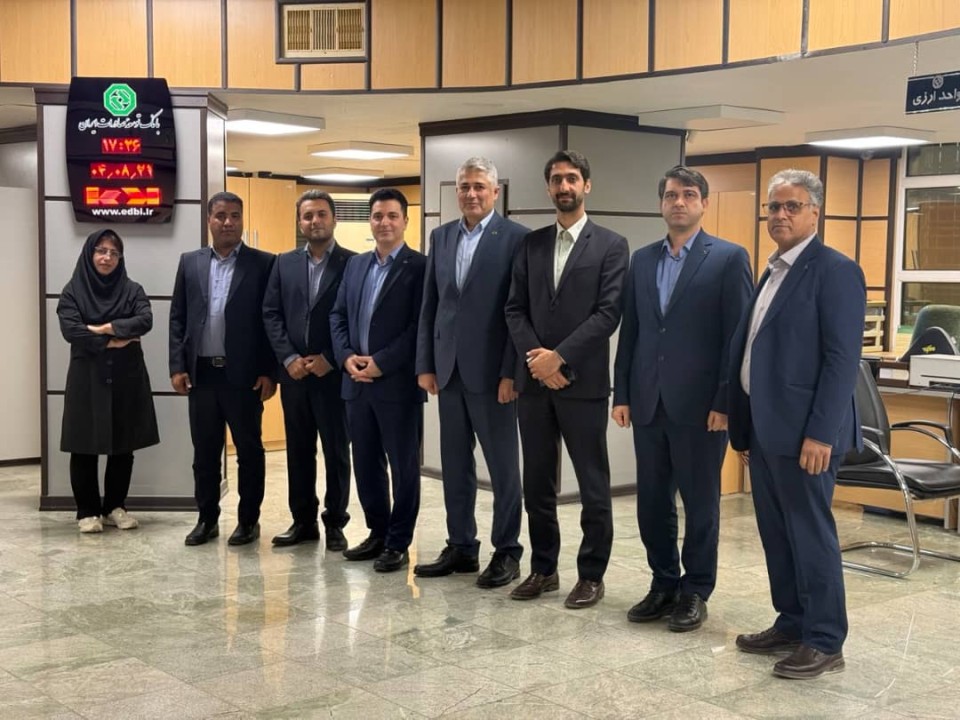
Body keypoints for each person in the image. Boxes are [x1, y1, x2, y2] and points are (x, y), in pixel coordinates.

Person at [727, 169, 865, 679]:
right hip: (766, 431)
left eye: (792, 206)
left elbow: (841, 360)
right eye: (774, 206)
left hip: (806, 434)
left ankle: (825, 640)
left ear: (815, 213)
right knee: (777, 534)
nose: (780, 215)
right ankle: (792, 622)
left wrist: (820, 433)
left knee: (809, 535)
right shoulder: (772, 271)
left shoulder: (835, 271)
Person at [612, 166, 753, 632]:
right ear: (661, 203)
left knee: (700, 503)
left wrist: (725, 400)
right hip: (648, 401)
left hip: (702, 408)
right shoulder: (642, 260)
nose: (679, 202)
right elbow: (631, 331)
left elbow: (737, 337)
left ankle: (695, 590)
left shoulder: (729, 258)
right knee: (652, 502)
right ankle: (663, 583)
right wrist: (622, 392)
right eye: (671, 195)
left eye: (689, 195)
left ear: (704, 204)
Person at [505, 150, 629, 609]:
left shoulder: (611, 245)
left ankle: (591, 575)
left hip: (584, 384)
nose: (564, 186)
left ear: (586, 185)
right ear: (548, 187)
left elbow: (608, 314)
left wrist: (558, 358)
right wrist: (538, 361)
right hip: (534, 385)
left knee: (593, 485)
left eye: (572, 178)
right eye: (557, 179)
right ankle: (544, 569)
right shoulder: (531, 244)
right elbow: (514, 309)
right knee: (537, 483)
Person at [414, 157, 527, 588]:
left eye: (480, 186)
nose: (471, 194)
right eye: (464, 187)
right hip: (448, 372)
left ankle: (507, 550)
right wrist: (426, 364)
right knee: (455, 464)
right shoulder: (441, 236)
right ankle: (461, 545)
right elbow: (431, 305)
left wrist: (511, 372)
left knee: (502, 468)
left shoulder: (516, 238)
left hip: (493, 375)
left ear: (495, 192)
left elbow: (519, 313)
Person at [169, 191, 277, 547]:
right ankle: (207, 519)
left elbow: (270, 322)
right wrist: (177, 366)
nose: (227, 222)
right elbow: (178, 318)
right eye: (220, 216)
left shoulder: (264, 264)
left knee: (249, 452)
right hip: (201, 375)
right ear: (209, 221)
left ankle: (248, 521)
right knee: (204, 454)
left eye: (234, 216)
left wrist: (269, 371)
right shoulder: (190, 262)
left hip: (244, 377)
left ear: (242, 220)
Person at [330, 188, 426, 573]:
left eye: (392, 216)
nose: (384, 223)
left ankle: (398, 542)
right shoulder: (355, 265)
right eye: (377, 216)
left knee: (403, 467)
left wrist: (382, 363)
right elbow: (337, 315)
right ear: (369, 221)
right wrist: (345, 357)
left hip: (396, 385)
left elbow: (418, 326)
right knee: (366, 463)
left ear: (405, 221)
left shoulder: (420, 267)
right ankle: (377, 532)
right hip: (356, 384)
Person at [263, 190, 355, 550]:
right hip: (295, 376)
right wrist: (288, 358)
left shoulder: (353, 263)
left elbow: (355, 318)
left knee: (336, 451)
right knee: (298, 451)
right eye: (307, 216)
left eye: (321, 214)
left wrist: (330, 357)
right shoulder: (283, 263)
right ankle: (303, 521)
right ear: (300, 222)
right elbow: (271, 314)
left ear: (333, 219)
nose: (314, 221)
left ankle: (335, 522)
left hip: (333, 376)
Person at [57, 229, 159, 533]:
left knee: (123, 446)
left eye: (114, 253)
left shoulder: (132, 289)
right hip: (87, 378)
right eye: (101, 251)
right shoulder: (72, 291)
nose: (107, 257)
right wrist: (113, 340)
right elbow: (71, 330)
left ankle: (115, 506)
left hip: (126, 378)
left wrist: (103, 328)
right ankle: (87, 511)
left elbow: (145, 320)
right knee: (83, 445)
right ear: (90, 254)